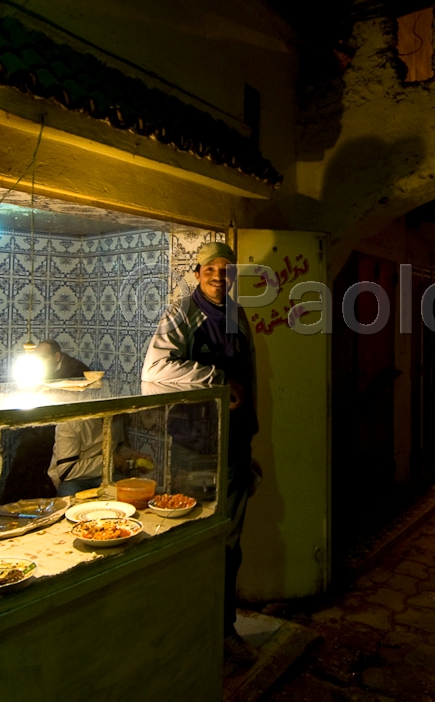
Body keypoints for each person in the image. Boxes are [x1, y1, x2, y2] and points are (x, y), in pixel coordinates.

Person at [142, 241, 259, 667]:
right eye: (210, 268)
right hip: (193, 449)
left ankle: (221, 632)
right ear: (196, 273)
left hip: (233, 446)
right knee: (193, 541)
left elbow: (249, 378)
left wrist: (249, 440)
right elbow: (154, 371)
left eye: (226, 268)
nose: (218, 274)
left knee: (230, 543)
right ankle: (189, 633)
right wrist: (216, 379)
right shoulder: (179, 315)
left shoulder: (236, 314)